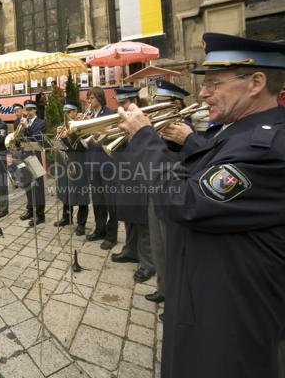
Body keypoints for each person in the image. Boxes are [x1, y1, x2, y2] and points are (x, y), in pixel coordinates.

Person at [117, 32, 285, 378]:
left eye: (214, 83)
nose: (204, 92)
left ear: (256, 82)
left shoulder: (264, 147)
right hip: (206, 299)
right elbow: (189, 176)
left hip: (228, 319)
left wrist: (145, 138)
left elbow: (185, 202)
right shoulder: (233, 132)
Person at [145, 80, 192, 305]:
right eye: (156, 101)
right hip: (157, 188)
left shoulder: (183, 126)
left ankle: (177, 298)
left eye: (160, 102)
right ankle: (163, 288)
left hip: (174, 191)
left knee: (173, 248)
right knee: (158, 244)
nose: (155, 106)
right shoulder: (160, 124)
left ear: (175, 103)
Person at [110, 87, 155, 284]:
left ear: (135, 100)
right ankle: (130, 250)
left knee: (143, 219)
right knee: (129, 215)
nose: (123, 107)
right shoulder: (122, 118)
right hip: (125, 171)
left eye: (126, 102)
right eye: (121, 103)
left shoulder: (146, 117)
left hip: (142, 174)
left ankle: (148, 263)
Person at [85, 87, 118, 249]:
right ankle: (100, 229)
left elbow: (113, 136)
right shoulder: (90, 115)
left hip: (106, 163)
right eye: (88, 98)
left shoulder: (110, 113)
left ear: (99, 97)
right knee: (97, 200)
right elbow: (85, 138)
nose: (89, 101)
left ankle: (112, 236)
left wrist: (101, 134)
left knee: (110, 201)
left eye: (91, 97)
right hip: (92, 162)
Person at [54, 101, 89, 235]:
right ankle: (66, 217)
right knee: (66, 189)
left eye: (69, 112)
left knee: (81, 192)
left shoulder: (82, 125)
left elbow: (82, 145)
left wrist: (69, 135)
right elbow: (62, 146)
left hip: (79, 160)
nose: (67, 115)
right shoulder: (64, 126)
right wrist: (60, 137)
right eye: (65, 112)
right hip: (66, 161)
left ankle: (81, 223)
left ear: (75, 111)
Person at [18, 100, 46, 227]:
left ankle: (40, 215)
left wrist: (26, 128)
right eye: (26, 110)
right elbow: (19, 139)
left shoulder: (41, 123)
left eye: (29, 110)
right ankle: (30, 210)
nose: (27, 112)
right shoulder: (23, 123)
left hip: (35, 157)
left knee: (38, 187)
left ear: (35, 110)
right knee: (27, 184)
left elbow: (36, 138)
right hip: (24, 155)